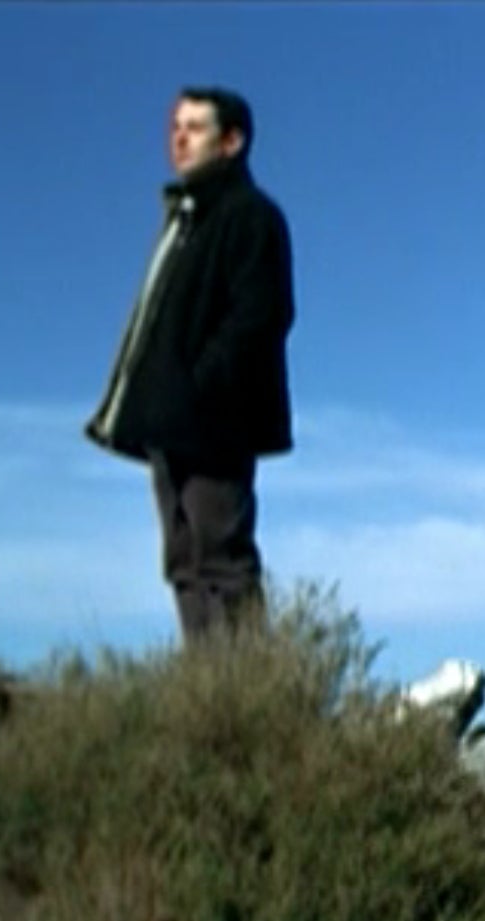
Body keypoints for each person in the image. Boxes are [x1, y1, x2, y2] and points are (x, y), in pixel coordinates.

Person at [86, 86, 296, 644]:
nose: (178, 137)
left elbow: (261, 315)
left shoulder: (251, 216)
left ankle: (247, 701)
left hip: (215, 423)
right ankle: (204, 700)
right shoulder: (185, 222)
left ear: (232, 142)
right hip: (172, 424)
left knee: (221, 559)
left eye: (195, 127)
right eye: (175, 126)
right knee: (183, 562)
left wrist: (202, 389)